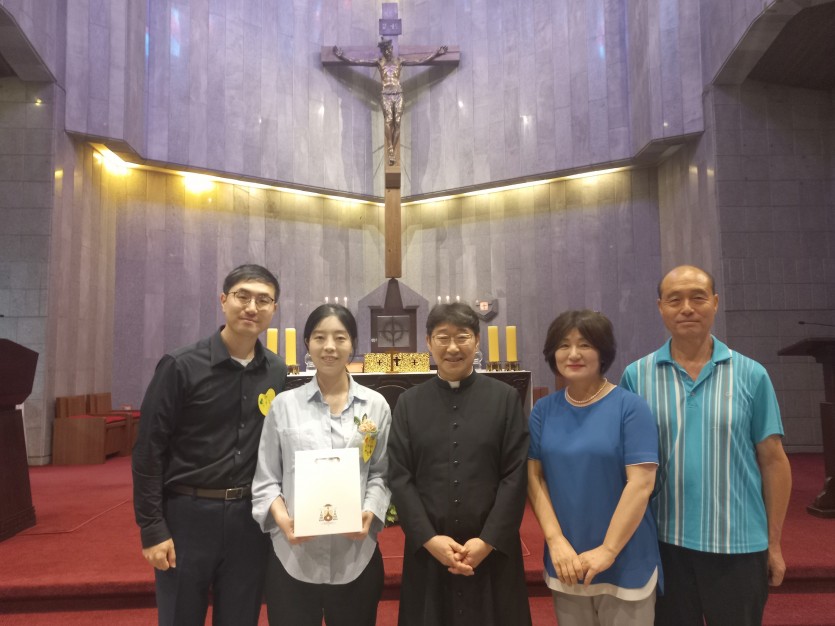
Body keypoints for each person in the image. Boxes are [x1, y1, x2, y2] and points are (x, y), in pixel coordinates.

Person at [621, 265, 792, 626]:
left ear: (714, 303)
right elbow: (626, 465)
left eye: (697, 297)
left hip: (738, 544)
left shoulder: (751, 374)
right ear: (660, 307)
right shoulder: (637, 376)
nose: (687, 308)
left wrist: (774, 543)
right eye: (675, 299)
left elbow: (774, 462)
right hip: (664, 542)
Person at [132, 264, 287, 626]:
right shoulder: (180, 366)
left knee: (241, 618)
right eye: (242, 296)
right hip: (187, 515)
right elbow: (148, 450)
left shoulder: (276, 371)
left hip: (249, 519)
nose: (252, 307)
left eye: (263, 300)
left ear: (274, 309)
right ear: (223, 300)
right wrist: (152, 527)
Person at [387, 302, 532, 626]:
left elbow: (515, 473)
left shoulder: (505, 398)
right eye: (443, 337)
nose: (452, 347)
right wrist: (429, 539)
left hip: (492, 550)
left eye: (462, 337)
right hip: (429, 551)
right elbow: (399, 476)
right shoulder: (409, 403)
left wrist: (487, 541)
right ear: (428, 342)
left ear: (477, 341)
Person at [251, 303, 391, 626]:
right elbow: (266, 478)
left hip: (355, 556)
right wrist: (283, 520)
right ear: (307, 344)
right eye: (319, 337)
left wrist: (370, 511)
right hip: (293, 558)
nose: (329, 347)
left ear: (352, 344)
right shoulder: (284, 406)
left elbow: (381, 473)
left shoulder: (376, 406)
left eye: (340, 338)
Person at [527, 310, 661, 625]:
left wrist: (608, 550)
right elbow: (534, 478)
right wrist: (555, 541)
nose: (573, 354)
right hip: (567, 560)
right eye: (564, 345)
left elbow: (641, 484)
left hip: (625, 560)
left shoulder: (631, 407)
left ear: (603, 352)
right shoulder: (543, 410)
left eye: (585, 344)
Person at [333, 38, 448, 165]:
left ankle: (392, 147)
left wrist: (436, 54)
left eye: (389, 49)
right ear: (383, 51)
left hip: (398, 93)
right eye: (386, 50)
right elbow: (358, 61)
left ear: (392, 49)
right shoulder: (379, 62)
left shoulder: (399, 61)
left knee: (397, 122)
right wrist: (342, 57)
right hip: (386, 94)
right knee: (388, 120)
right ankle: (390, 149)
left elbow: (420, 61)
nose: (388, 52)